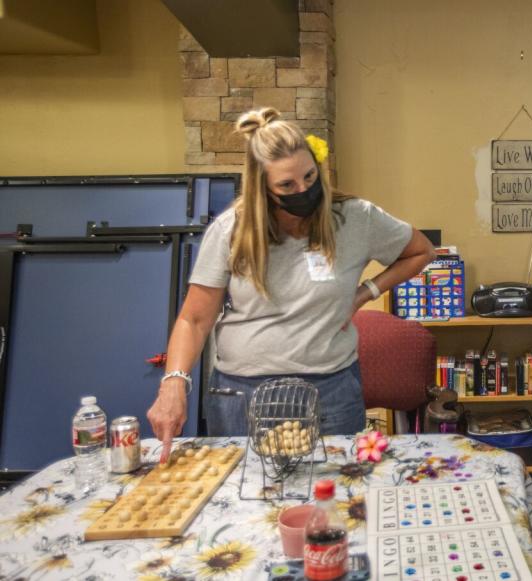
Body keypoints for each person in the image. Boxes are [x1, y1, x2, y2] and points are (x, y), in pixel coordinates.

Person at [147, 107, 436, 462]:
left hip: (328, 391)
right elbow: (193, 320)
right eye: (287, 185)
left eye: (310, 177)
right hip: (242, 394)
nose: (304, 190)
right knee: (247, 502)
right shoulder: (230, 231)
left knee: (333, 501)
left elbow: (420, 251)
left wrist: (364, 294)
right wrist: (174, 382)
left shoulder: (355, 218)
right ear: (261, 189)